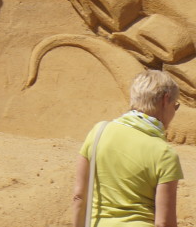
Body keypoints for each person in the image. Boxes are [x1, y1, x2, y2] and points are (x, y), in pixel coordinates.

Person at [72, 69, 182, 227]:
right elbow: (163, 222)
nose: (174, 113)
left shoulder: (99, 132)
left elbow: (79, 196)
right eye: (175, 106)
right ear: (165, 100)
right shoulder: (165, 153)